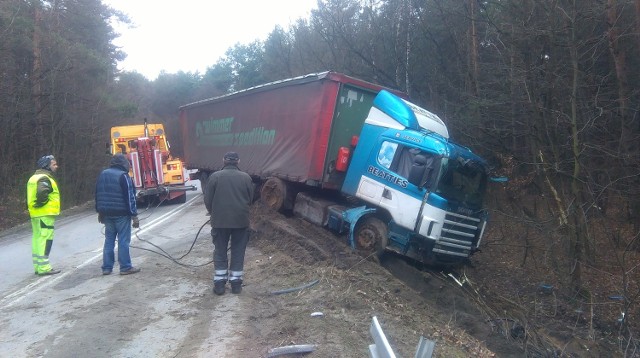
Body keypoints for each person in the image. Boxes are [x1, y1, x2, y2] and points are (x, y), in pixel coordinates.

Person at [204, 152, 254, 295]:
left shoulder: (215, 177)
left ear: (224, 160)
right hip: (241, 221)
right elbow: (250, 199)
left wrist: (214, 213)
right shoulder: (246, 177)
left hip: (219, 222)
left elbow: (208, 200)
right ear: (238, 161)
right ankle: (236, 285)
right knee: (238, 251)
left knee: (220, 250)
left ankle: (219, 285)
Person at [95, 153, 141, 275]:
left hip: (107, 214)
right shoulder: (124, 176)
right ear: (124, 164)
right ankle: (125, 267)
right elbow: (130, 197)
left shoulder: (103, 174)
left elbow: (98, 194)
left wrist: (100, 212)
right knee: (123, 240)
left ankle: (106, 267)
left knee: (109, 240)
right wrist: (134, 215)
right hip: (121, 214)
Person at [27, 155, 62, 276]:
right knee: (45, 239)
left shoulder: (33, 178)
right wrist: (42, 203)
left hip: (36, 214)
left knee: (37, 238)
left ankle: (38, 266)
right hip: (45, 213)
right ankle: (44, 267)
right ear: (46, 166)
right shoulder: (44, 178)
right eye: (54, 164)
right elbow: (42, 193)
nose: (56, 166)